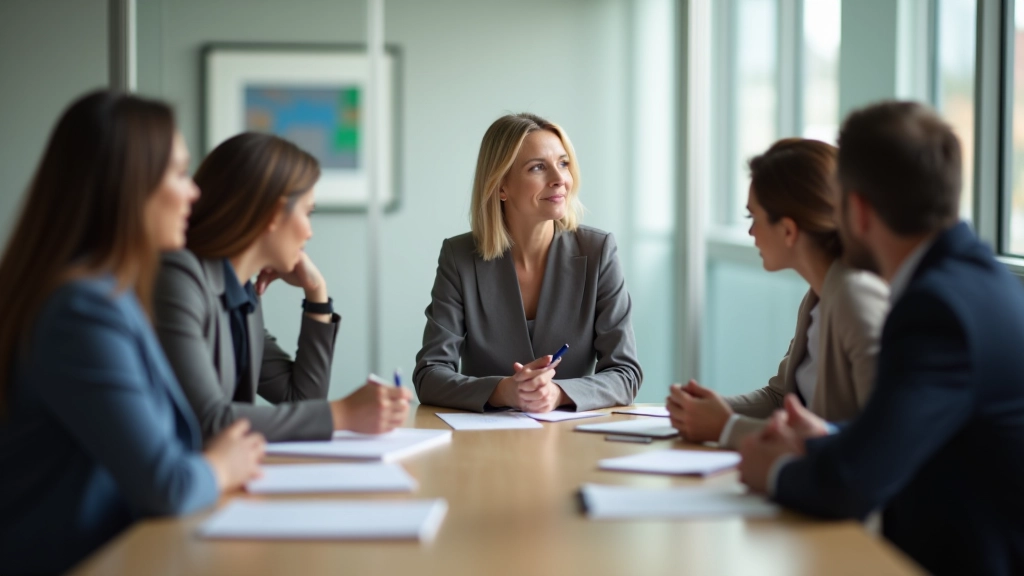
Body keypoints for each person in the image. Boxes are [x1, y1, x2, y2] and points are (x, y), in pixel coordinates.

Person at [738, 101, 1024, 576]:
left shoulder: (936, 310)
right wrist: (823, 439)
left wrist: (773, 470)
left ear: (859, 210)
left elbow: (853, 482)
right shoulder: (977, 281)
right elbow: (909, 430)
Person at [0, 91, 264, 575]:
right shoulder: (81, 312)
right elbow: (168, 485)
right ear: (127, 185)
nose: (194, 192)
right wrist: (221, 465)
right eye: (179, 173)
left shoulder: (111, 296)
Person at [154, 132, 410, 443]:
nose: (310, 232)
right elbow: (208, 420)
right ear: (274, 214)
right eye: (307, 213)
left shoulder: (241, 293)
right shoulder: (178, 280)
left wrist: (316, 294)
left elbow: (300, 399)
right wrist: (342, 414)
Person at [666, 139, 888, 449]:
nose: (750, 233)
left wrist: (726, 427)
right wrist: (708, 411)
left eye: (752, 218)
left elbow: (878, 439)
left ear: (787, 230)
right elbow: (782, 398)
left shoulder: (856, 297)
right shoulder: (818, 295)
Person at [413, 113, 643, 413]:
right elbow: (430, 375)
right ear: (500, 187)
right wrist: (502, 391)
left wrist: (558, 393)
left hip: (572, 441)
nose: (560, 179)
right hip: (484, 442)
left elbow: (626, 375)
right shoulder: (459, 257)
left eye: (563, 163)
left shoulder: (598, 251)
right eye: (538, 167)